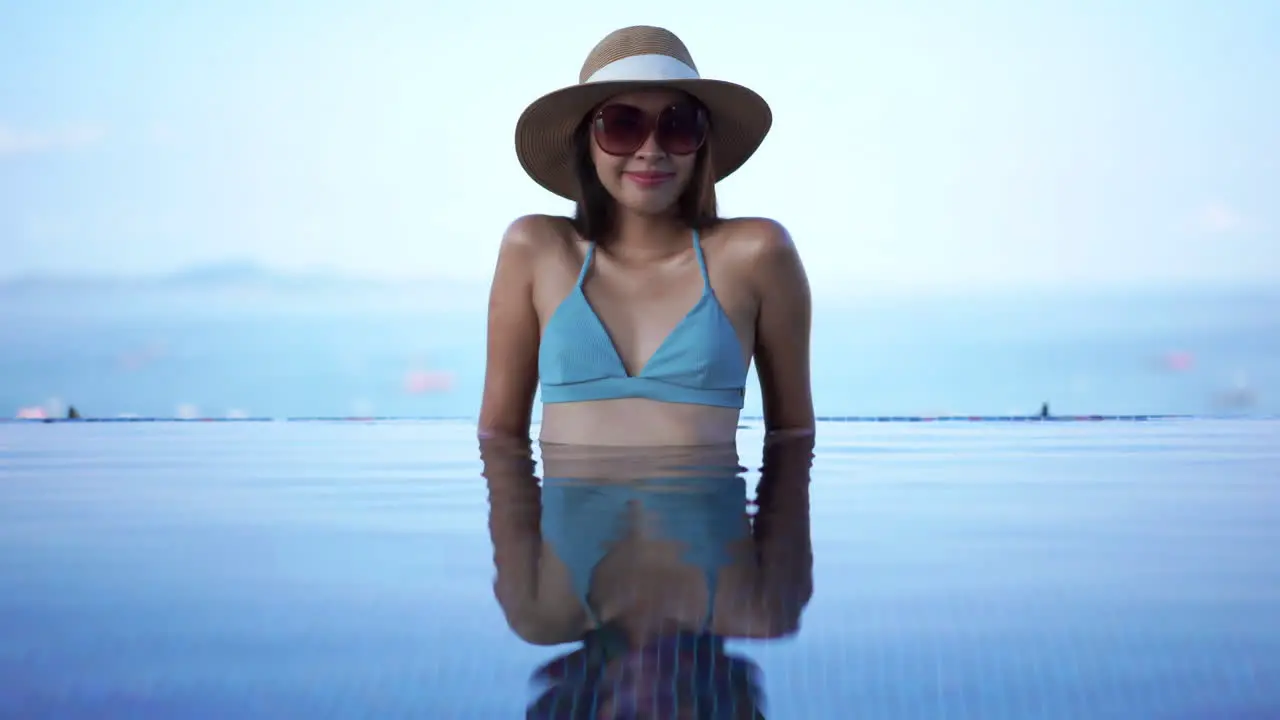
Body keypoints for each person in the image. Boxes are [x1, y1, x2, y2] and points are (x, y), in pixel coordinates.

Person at [479, 26, 814, 447]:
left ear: (702, 142)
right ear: (588, 143)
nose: (651, 149)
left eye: (678, 126)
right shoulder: (536, 249)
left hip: (708, 513)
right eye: (621, 126)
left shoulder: (757, 254)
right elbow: (498, 438)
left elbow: (793, 436)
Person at [481, 434, 814, 718]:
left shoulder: (536, 607)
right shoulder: (767, 608)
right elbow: (792, 447)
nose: (651, 705)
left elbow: (501, 443)